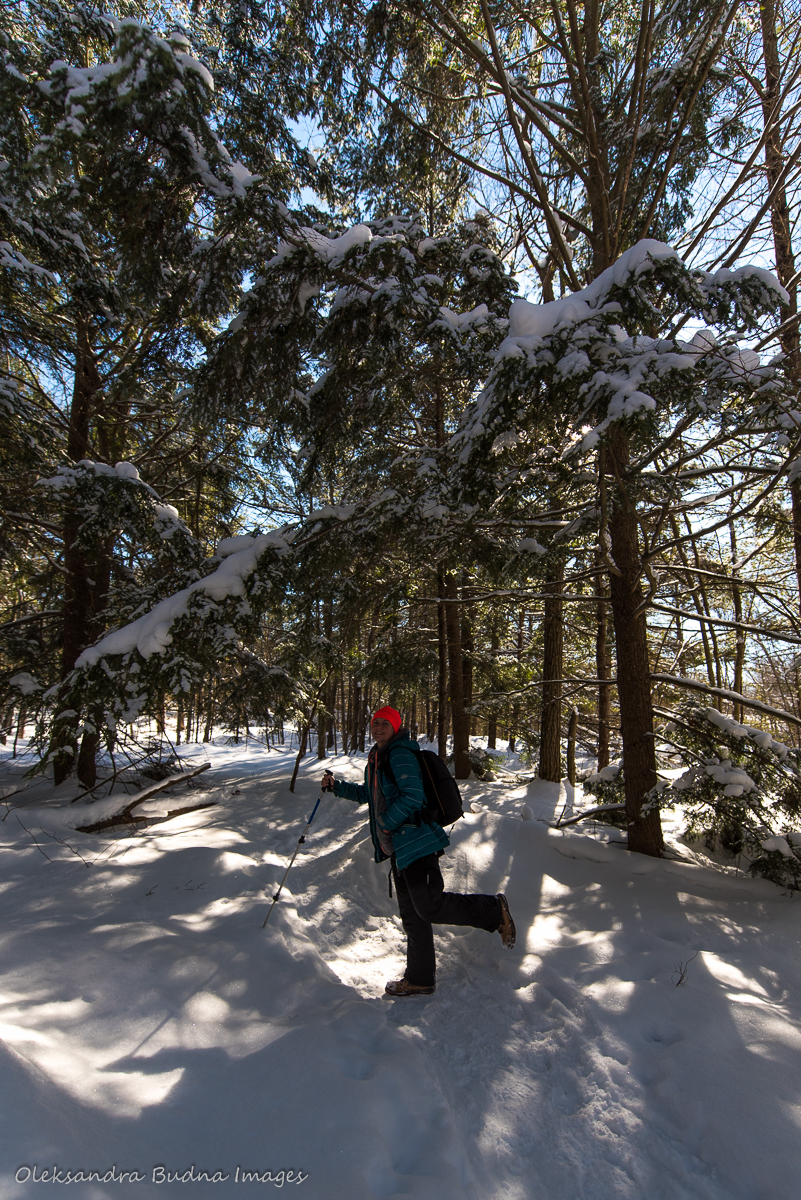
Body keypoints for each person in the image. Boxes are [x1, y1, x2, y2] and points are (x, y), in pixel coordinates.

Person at [322, 705, 516, 997]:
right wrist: (337, 787)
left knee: (429, 906)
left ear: (395, 727)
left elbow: (413, 797)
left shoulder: (399, 754)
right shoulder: (378, 757)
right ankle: (420, 979)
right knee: (413, 916)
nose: (378, 728)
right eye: (375, 723)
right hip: (399, 848)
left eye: (384, 724)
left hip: (416, 842)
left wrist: (386, 823)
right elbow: (370, 795)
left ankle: (493, 910)